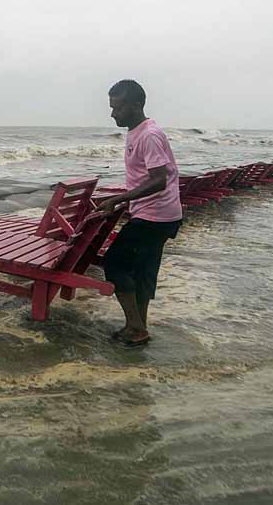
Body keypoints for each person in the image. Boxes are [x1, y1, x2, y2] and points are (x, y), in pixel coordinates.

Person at [94, 80, 182, 348]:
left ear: (136, 105)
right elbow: (143, 177)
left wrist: (120, 198)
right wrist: (123, 198)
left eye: (118, 108)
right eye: (111, 108)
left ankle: (135, 328)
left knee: (115, 264)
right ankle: (138, 326)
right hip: (159, 214)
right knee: (142, 271)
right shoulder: (137, 132)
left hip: (155, 216)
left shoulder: (149, 135)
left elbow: (159, 180)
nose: (113, 114)